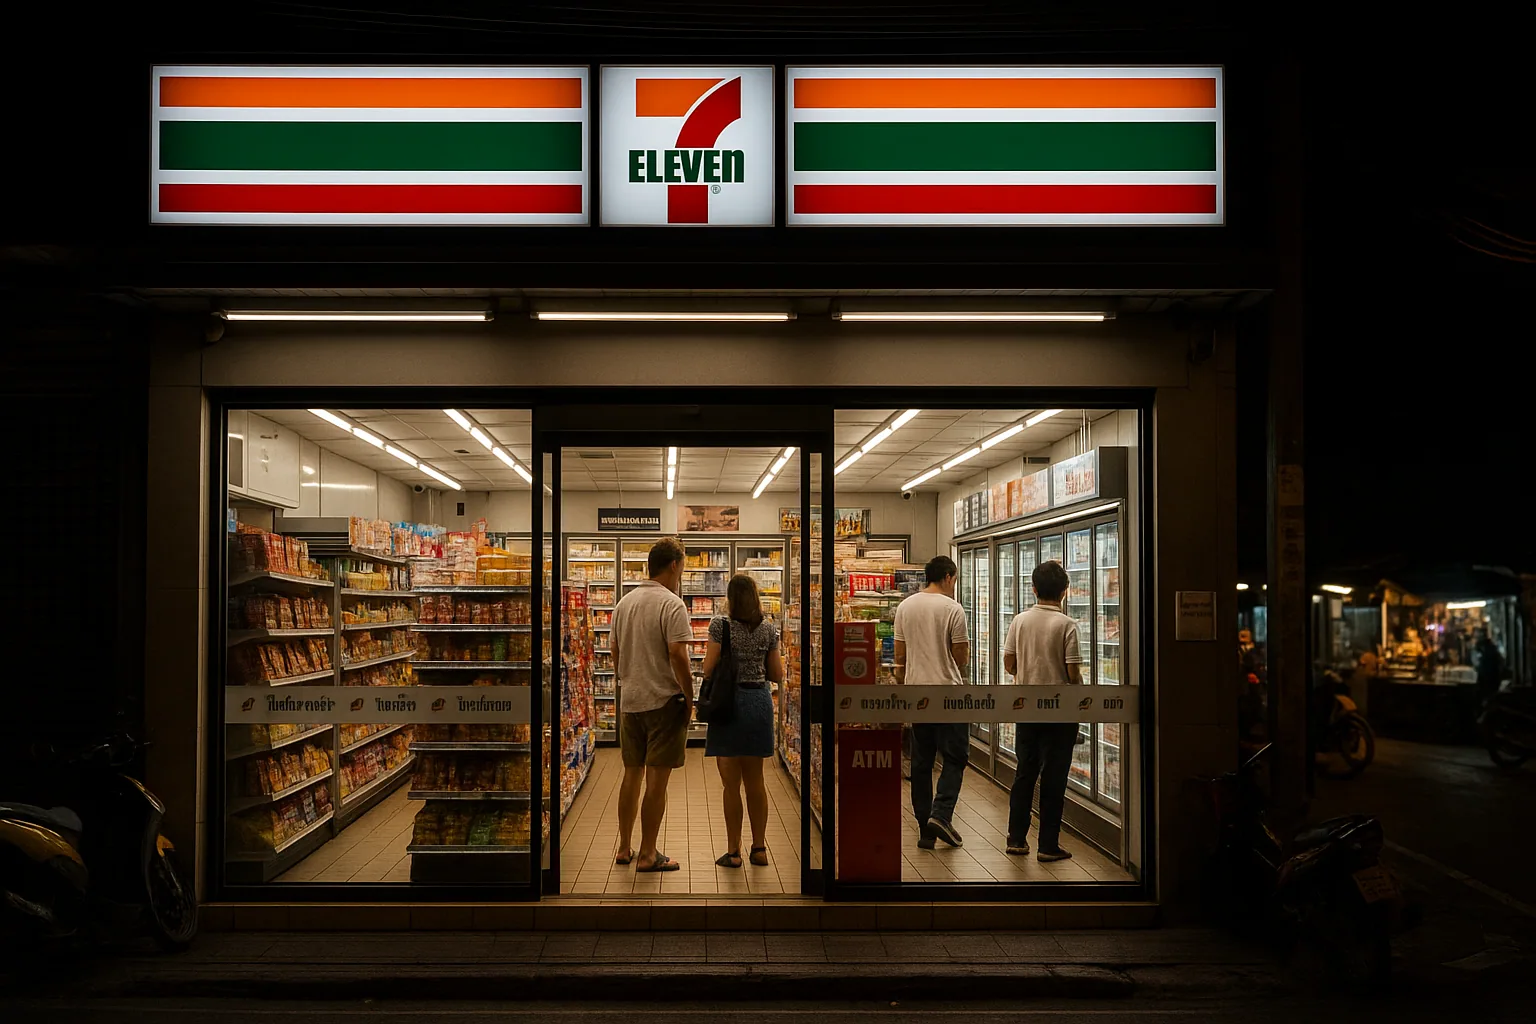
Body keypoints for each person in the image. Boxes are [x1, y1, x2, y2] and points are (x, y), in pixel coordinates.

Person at [609, 537, 694, 873]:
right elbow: (678, 654)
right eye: (682, 567)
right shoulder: (672, 605)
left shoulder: (623, 604)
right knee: (656, 783)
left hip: (631, 702)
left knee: (631, 775)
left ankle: (624, 846)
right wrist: (688, 697)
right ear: (674, 565)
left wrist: (627, 677)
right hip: (663, 702)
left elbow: (614, 651)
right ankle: (648, 853)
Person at [699, 574, 785, 868]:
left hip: (729, 706)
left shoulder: (719, 626)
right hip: (758, 703)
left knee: (730, 785)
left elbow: (709, 668)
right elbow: (777, 674)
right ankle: (759, 848)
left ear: (730, 598)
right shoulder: (769, 629)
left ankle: (733, 851)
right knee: (756, 781)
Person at [1001, 559, 1083, 862]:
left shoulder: (1019, 621)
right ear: (1064, 591)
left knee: (1025, 773)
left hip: (1026, 711)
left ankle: (1016, 838)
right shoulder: (1067, 625)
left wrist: (1026, 673)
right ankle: (1048, 845)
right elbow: (1073, 672)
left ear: (1033, 589)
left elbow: (1008, 663)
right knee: (1054, 778)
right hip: (1061, 715)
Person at [892, 555, 971, 850]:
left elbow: (899, 658)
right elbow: (960, 657)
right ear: (948, 577)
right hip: (949, 694)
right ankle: (941, 814)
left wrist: (905, 683)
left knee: (922, 763)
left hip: (916, 693)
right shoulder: (953, 608)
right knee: (955, 757)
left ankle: (926, 829)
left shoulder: (905, 607)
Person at [1475, 629, 1505, 704]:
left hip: (1488, 680)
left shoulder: (1486, 654)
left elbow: (1483, 670)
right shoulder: (1492, 650)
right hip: (1493, 680)